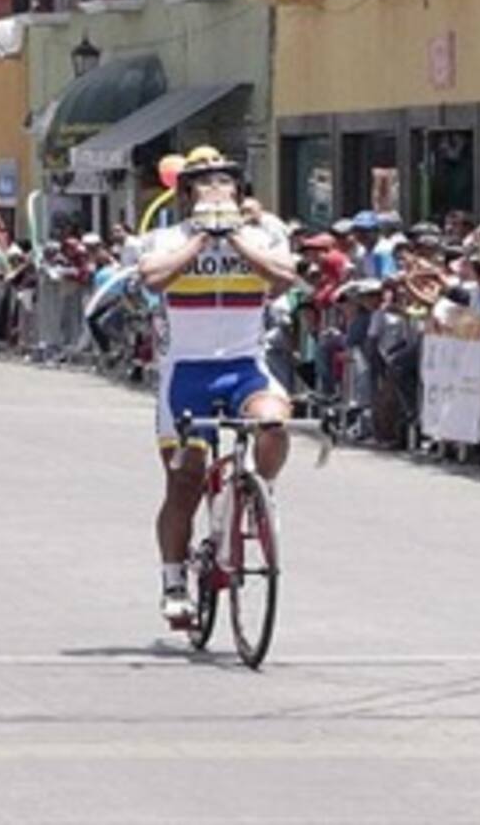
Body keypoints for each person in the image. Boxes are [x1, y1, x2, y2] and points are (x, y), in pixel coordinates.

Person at [136, 146, 297, 624]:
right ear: (185, 195)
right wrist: (202, 241)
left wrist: (237, 239)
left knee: (272, 424)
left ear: (239, 190)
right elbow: (154, 279)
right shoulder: (167, 238)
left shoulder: (264, 234)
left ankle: (258, 492)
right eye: (203, 184)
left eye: (224, 182)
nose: (215, 190)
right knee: (184, 482)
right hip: (187, 372)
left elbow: (285, 280)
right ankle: (173, 580)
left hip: (246, 364)